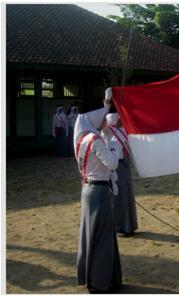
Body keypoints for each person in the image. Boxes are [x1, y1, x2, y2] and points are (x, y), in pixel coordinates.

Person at [75, 87, 123, 293]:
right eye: (102, 116)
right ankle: (101, 282)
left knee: (91, 236)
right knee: (102, 238)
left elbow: (98, 116)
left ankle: (94, 278)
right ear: (95, 117)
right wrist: (114, 144)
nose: (105, 118)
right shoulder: (96, 141)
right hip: (99, 192)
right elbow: (112, 163)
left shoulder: (83, 137)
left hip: (88, 190)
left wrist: (106, 101)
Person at [105, 110, 138, 236]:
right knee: (118, 195)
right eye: (117, 118)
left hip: (125, 165)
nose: (120, 120)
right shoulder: (108, 132)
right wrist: (107, 103)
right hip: (116, 167)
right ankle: (119, 226)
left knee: (127, 194)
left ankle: (129, 225)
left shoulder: (123, 130)